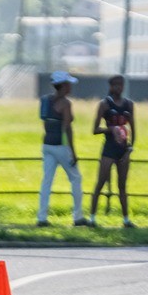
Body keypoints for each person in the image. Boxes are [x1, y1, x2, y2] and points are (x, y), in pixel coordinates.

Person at [36, 70, 88, 227]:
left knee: (46, 181)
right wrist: (73, 152)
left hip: (47, 144)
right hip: (61, 146)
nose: (70, 87)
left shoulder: (46, 100)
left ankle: (42, 217)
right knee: (76, 178)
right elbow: (67, 128)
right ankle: (78, 217)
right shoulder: (66, 103)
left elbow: (46, 123)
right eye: (68, 84)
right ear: (63, 85)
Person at [87, 74, 136, 227]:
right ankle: (92, 218)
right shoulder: (104, 104)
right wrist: (111, 129)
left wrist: (129, 150)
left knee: (122, 186)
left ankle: (126, 220)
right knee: (100, 183)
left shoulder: (129, 105)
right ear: (110, 86)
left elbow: (133, 129)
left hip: (123, 149)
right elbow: (95, 129)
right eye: (115, 85)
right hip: (109, 149)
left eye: (121, 84)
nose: (118, 88)